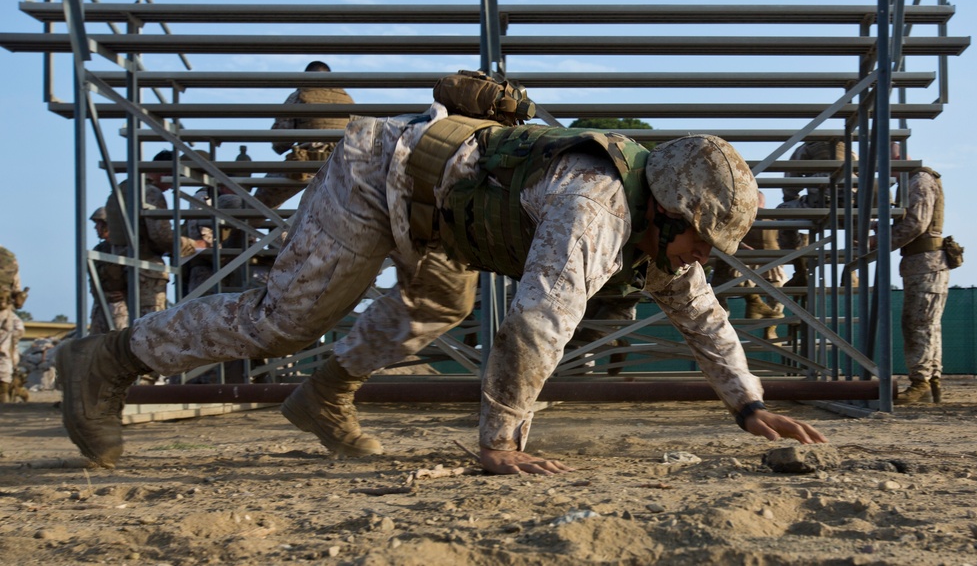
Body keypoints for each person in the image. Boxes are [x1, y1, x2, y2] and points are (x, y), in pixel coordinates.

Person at [57, 71, 827, 474]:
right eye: (699, 240)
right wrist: (498, 443)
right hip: (377, 177)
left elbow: (702, 315)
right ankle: (109, 361)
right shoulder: (597, 208)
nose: (700, 260)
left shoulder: (661, 228)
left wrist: (747, 404)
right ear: (666, 211)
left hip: (437, 214)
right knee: (282, 319)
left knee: (439, 300)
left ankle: (326, 395)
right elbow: (534, 326)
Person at [871, 143, 950, 404]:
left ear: (898, 159)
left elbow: (916, 223)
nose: (888, 175)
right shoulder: (914, 181)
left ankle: (922, 382)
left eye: (888, 167)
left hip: (926, 263)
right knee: (927, 325)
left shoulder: (919, 179)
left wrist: (878, 241)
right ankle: (930, 381)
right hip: (923, 263)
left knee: (917, 324)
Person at [104, 150, 208, 317]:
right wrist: (194, 245)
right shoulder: (151, 192)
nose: (172, 186)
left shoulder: (125, 187)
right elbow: (162, 236)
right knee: (151, 325)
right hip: (146, 270)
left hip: (120, 265)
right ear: (166, 172)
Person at [251, 61, 355, 212]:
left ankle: (244, 234)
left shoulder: (300, 94)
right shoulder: (347, 99)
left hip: (307, 163)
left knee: (257, 205)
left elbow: (279, 142)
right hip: (343, 166)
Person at [777, 139, 858, 286]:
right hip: (848, 205)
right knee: (861, 217)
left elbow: (790, 183)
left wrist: (792, 200)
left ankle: (800, 270)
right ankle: (852, 269)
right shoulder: (849, 150)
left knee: (782, 212)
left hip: (818, 202)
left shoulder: (805, 149)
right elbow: (860, 175)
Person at [711, 191, 788, 340]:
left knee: (718, 289)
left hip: (743, 269)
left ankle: (722, 325)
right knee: (777, 285)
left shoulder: (739, 217)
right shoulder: (774, 219)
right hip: (761, 269)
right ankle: (770, 321)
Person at [87, 207, 130, 334]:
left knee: (119, 342)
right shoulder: (99, 250)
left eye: (99, 224)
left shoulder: (126, 248)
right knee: (96, 344)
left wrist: (126, 293)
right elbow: (93, 283)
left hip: (120, 307)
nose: (96, 228)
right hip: (101, 305)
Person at [0, 245, 29, 402]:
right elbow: (17, 290)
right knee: (5, 352)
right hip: (3, 311)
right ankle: (5, 393)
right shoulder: (9, 258)